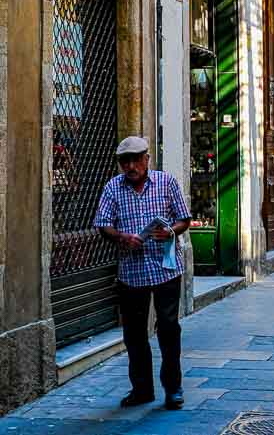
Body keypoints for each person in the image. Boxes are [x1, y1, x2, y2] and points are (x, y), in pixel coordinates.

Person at [94, 136, 191, 410]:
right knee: (135, 334)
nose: (132, 165)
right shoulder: (113, 187)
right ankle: (142, 389)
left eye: (137, 159)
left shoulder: (166, 182)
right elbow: (103, 224)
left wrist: (169, 231)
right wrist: (122, 237)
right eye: (126, 161)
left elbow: (184, 219)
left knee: (169, 329)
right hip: (132, 272)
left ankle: (173, 389)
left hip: (166, 268)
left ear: (147, 159)